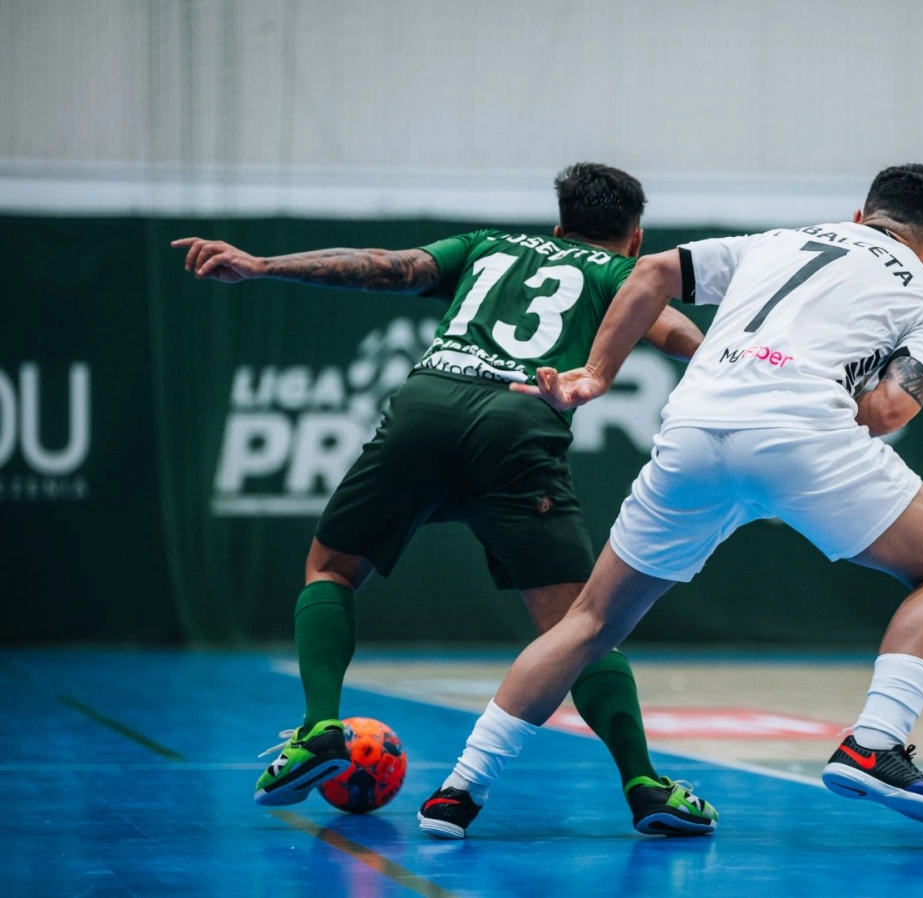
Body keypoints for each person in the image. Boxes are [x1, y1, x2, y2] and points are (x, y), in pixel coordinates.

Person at [422, 163, 923, 838]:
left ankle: (459, 790)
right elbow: (892, 408)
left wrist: (596, 373)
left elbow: (652, 272)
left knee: (591, 621)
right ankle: (874, 743)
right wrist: (819, 423)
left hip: (695, 426)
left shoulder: (778, 241)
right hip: (803, 435)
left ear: (861, 216)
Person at [171, 162, 720, 838]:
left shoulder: (487, 245)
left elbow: (381, 265)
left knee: (330, 569)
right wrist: (737, 369)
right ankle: (643, 784)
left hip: (427, 410)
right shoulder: (622, 276)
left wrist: (262, 266)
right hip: (518, 429)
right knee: (581, 627)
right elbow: (680, 335)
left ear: (558, 226)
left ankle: (318, 728)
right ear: (635, 240)